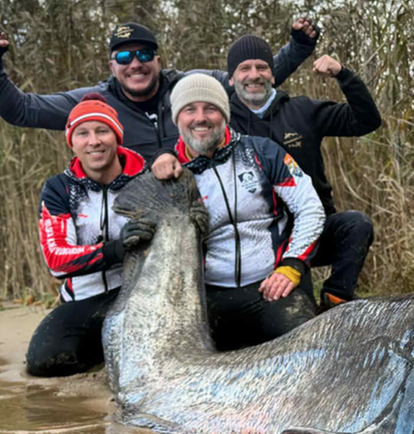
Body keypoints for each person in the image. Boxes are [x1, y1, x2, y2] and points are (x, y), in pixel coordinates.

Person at [155, 35, 381, 311]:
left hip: (307, 225)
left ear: (273, 75)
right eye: (244, 68)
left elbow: (367, 121)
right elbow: (188, 134)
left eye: (262, 67)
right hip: (260, 237)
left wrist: (343, 75)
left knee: (356, 225)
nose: (254, 75)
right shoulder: (220, 120)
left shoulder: (303, 110)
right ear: (230, 79)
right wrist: (164, 154)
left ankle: (336, 299)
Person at [0, 21, 319, 162]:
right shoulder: (95, 102)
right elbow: (20, 111)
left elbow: (250, 82)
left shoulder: (191, 86)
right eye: (124, 56)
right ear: (112, 66)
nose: (135, 63)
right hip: (137, 218)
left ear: (158, 59)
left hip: (203, 208)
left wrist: (299, 46)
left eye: (143, 54)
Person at [166, 73, 326, 349]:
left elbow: (310, 207)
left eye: (211, 108)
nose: (200, 118)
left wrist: (292, 265)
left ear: (225, 114)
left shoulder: (262, 151)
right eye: (189, 109)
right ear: (177, 118)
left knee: (307, 347)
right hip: (207, 296)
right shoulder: (168, 174)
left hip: (270, 286)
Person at [25, 93, 152, 377]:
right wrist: (116, 249)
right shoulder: (59, 188)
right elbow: (56, 259)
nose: (93, 141)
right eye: (82, 133)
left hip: (136, 297)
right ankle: (101, 355)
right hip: (83, 300)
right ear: (72, 143)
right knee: (43, 361)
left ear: (117, 137)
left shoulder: (145, 180)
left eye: (102, 131)